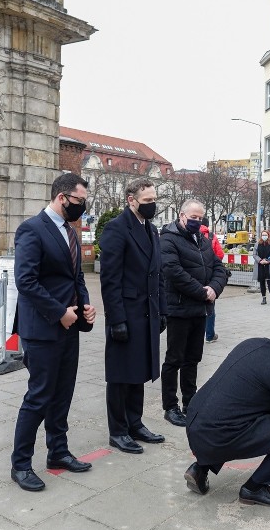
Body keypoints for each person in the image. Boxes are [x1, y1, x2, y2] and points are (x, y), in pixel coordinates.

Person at [10, 173, 97, 492]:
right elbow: (26, 282)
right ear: (62, 197)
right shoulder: (32, 230)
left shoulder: (70, 233)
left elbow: (77, 279)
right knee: (38, 397)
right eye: (80, 201)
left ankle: (58, 452)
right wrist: (59, 312)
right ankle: (20, 465)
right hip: (43, 329)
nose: (83, 208)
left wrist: (85, 306)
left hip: (69, 328)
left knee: (62, 395)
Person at [183, 320, 270, 506]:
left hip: (196, 424)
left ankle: (200, 469)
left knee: (238, 414)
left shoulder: (252, 343)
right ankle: (255, 488)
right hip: (219, 435)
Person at [99, 178, 167, 455]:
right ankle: (118, 430)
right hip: (126, 313)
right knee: (120, 375)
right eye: (148, 201)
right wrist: (116, 319)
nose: (153, 205)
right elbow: (110, 279)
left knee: (138, 370)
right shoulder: (117, 229)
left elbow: (158, 275)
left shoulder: (151, 230)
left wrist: (162, 311)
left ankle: (135, 423)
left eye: (154, 200)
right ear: (131, 200)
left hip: (148, 312)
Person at [160, 199, 228, 427]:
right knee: (174, 359)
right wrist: (202, 292)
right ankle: (170, 406)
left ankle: (190, 402)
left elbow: (219, 267)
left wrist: (214, 289)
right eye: (193, 217)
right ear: (181, 215)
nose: (197, 221)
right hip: (179, 309)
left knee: (193, 359)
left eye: (200, 218)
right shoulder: (168, 239)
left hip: (200, 310)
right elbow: (174, 272)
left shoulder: (203, 239)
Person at [200, 217, 225, 343]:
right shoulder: (211, 236)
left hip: (195, 277)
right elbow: (220, 254)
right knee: (210, 305)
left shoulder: (189, 234)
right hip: (209, 276)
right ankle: (209, 335)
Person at [253, 229, 270, 306]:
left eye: (266, 235)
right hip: (260, 265)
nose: (264, 236)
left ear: (268, 236)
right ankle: (264, 298)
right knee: (262, 282)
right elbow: (254, 254)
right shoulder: (257, 244)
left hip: (268, 265)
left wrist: (268, 261)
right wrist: (260, 260)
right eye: (263, 235)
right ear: (261, 236)